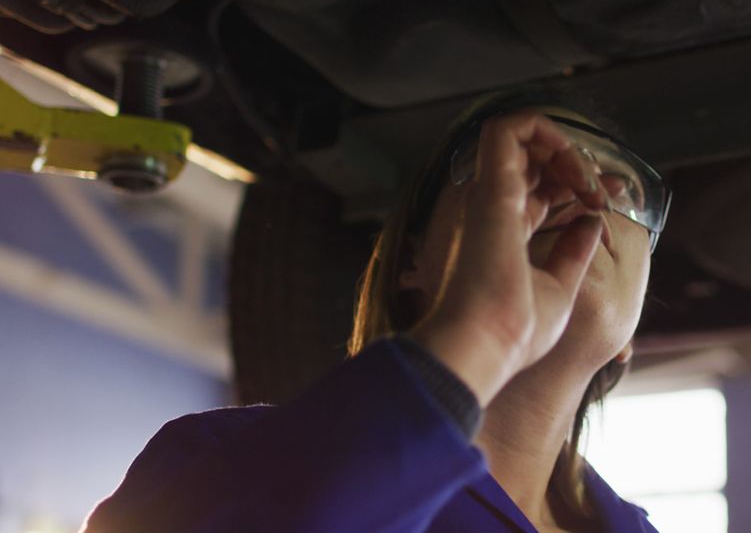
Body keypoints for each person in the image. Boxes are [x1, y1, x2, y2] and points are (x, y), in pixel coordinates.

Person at [81, 88, 672, 533]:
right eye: (528, 177)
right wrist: (482, 334)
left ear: (629, 335)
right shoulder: (220, 457)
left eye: (620, 186)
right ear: (413, 263)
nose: (585, 185)